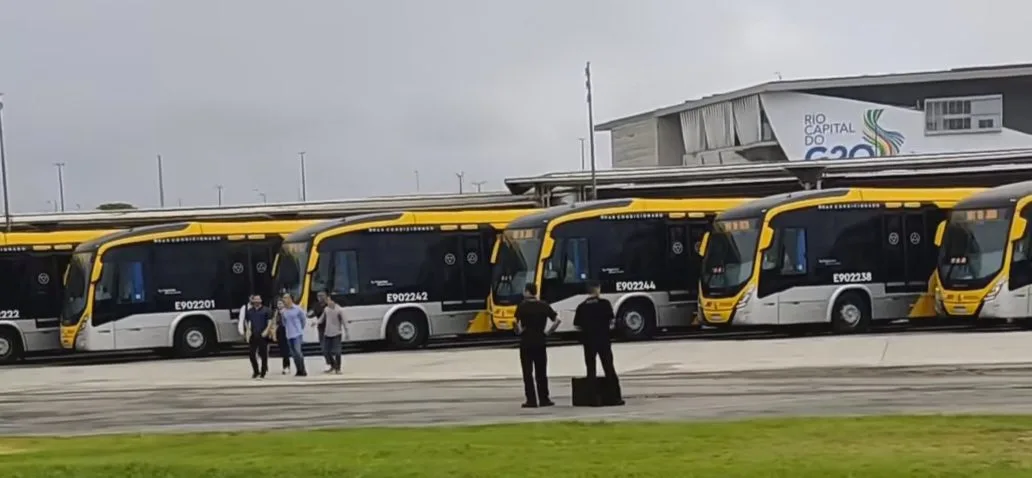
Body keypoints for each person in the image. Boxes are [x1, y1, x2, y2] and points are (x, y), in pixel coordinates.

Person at [573, 280, 623, 405]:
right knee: (609, 368)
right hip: (603, 340)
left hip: (589, 342)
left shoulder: (582, 306)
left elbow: (577, 326)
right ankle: (615, 397)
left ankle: (593, 399)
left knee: (591, 370)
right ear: (597, 289)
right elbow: (612, 322)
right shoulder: (605, 304)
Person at [514, 283, 560, 408]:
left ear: (527, 292)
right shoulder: (544, 305)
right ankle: (544, 398)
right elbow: (557, 320)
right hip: (540, 340)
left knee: (528, 373)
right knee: (541, 372)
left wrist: (520, 331)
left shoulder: (522, 306)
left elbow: (516, 325)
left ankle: (531, 400)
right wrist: (548, 332)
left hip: (526, 342)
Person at [242, 294, 272, 378]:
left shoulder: (267, 310)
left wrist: (267, 330)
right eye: (255, 300)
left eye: (258, 300)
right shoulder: (250, 311)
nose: (257, 302)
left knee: (263, 355)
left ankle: (263, 372)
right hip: (253, 335)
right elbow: (247, 322)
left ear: (261, 301)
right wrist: (248, 331)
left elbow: (270, 321)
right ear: (253, 301)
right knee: (251, 355)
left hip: (263, 335)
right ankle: (256, 371)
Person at [279, 293, 309, 377]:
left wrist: (300, 329)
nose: (284, 300)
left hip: (297, 334)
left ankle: (303, 370)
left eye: (285, 298)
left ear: (290, 299)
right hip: (289, 334)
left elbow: (303, 320)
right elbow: (284, 322)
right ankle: (298, 370)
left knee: (298, 352)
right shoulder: (283, 311)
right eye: (283, 298)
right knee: (293, 354)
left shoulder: (297, 309)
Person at [318, 295, 347, 374]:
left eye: (329, 300)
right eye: (327, 301)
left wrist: (347, 332)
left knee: (337, 352)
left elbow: (344, 321)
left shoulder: (339, 310)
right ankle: (333, 365)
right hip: (327, 333)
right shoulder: (326, 309)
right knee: (326, 351)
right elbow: (322, 318)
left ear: (333, 301)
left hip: (337, 333)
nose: (327, 302)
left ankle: (338, 368)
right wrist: (316, 322)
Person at [309, 291, 332, 372]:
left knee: (330, 347)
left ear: (326, 296)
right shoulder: (316, 305)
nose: (320, 298)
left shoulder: (330, 304)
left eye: (322, 296)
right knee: (323, 347)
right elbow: (311, 314)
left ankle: (333, 363)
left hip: (330, 328)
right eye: (318, 296)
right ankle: (329, 363)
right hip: (321, 328)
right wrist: (310, 314)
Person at [272, 299, 292, 374]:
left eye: (281, 303)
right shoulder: (276, 312)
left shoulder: (287, 311)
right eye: (278, 304)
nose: (279, 305)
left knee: (285, 350)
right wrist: (274, 333)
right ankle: (286, 366)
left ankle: (286, 366)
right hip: (279, 331)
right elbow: (274, 322)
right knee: (282, 350)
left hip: (286, 331)